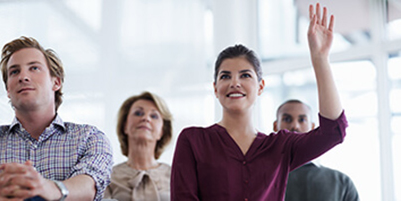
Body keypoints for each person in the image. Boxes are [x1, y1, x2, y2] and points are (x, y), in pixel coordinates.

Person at [171, 3, 348, 201]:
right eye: (225, 76)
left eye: (245, 75)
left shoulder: (280, 147)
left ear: (261, 87)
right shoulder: (193, 141)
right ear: (215, 88)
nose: (235, 83)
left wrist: (320, 59)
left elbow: (333, 131)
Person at [0, 36, 113, 201]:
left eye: (34, 68)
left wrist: (50, 189)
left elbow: (90, 186)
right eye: (14, 71)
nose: (23, 77)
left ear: (56, 82)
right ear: (8, 90)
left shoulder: (89, 138)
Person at [274, 99, 359, 201]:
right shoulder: (264, 178)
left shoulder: (342, 182)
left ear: (312, 127)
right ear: (275, 126)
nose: (295, 126)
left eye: (302, 120)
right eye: (287, 119)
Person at [104, 91, 173, 201]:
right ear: (125, 126)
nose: (146, 118)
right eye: (138, 113)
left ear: (162, 132)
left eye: (154, 116)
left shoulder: (175, 176)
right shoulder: (107, 177)